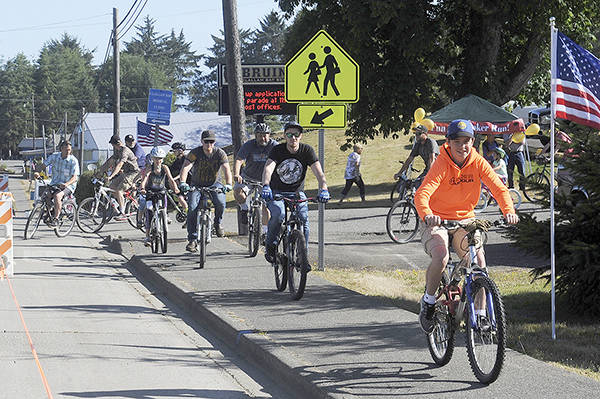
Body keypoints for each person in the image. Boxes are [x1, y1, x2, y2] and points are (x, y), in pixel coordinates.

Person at [413, 119, 519, 334]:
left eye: (468, 141)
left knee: (479, 263)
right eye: (458, 141)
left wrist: (509, 211)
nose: (463, 146)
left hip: (465, 220)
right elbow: (422, 194)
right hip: (438, 220)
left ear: (473, 141)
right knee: (441, 256)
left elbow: (499, 188)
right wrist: (428, 215)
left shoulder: (478, 162)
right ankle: (429, 302)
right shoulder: (441, 163)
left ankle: (480, 316)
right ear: (449, 142)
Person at [261, 122, 330, 265]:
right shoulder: (277, 150)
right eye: (289, 135)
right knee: (279, 214)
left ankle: (302, 256)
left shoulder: (306, 150)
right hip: (276, 191)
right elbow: (268, 168)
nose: (293, 138)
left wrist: (324, 188)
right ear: (285, 136)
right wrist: (266, 185)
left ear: (301, 136)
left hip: (297, 192)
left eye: (296, 135)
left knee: (303, 218)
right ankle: (271, 245)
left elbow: (319, 172)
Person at [179, 130, 233, 252]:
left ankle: (217, 223)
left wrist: (229, 184)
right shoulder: (195, 152)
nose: (209, 145)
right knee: (192, 207)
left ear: (214, 142)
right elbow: (186, 167)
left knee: (221, 203)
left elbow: (226, 169)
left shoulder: (220, 153)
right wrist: (183, 182)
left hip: (215, 184)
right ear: (202, 141)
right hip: (196, 184)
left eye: (211, 142)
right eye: (206, 142)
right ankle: (192, 239)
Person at [233, 123, 278, 228]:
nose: (263, 138)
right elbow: (239, 160)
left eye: (265, 135)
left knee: (266, 205)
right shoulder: (249, 145)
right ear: (256, 135)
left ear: (269, 135)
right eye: (260, 135)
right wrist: (236, 174)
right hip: (248, 177)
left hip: (266, 180)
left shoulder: (274, 146)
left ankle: (265, 231)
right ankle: (244, 208)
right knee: (238, 193)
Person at [139, 147, 180, 246]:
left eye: (160, 158)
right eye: (156, 158)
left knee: (164, 210)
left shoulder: (165, 167)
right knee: (149, 212)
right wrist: (143, 188)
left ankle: (164, 225)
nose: (158, 160)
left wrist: (176, 189)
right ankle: (147, 236)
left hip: (161, 192)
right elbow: (145, 179)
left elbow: (170, 179)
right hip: (150, 193)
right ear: (152, 158)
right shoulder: (150, 168)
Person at [34, 140, 79, 226]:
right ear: (61, 149)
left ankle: (56, 218)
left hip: (68, 185)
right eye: (66, 150)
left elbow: (75, 177)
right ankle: (52, 210)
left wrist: (66, 184)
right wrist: (37, 172)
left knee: (57, 196)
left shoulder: (73, 161)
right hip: (55, 183)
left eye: (69, 150)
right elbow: (43, 165)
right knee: (45, 196)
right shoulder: (54, 156)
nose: (68, 152)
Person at [97, 135, 140, 219]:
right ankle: (119, 205)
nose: (113, 147)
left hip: (133, 173)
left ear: (117, 143)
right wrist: (100, 172)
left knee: (119, 190)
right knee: (112, 187)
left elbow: (120, 164)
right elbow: (110, 161)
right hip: (126, 173)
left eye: (113, 145)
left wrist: (111, 176)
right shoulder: (118, 151)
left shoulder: (125, 151)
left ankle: (122, 213)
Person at [168, 142, 189, 214]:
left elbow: (183, 173)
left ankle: (189, 215)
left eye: (175, 151)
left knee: (181, 198)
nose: (173, 152)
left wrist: (173, 179)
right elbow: (170, 170)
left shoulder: (186, 159)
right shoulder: (177, 161)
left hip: (189, 183)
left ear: (180, 151)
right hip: (180, 184)